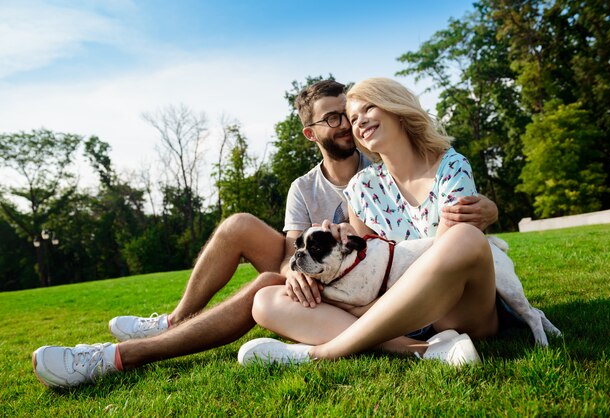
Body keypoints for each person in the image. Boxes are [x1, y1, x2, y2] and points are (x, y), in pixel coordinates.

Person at [32, 80, 497, 388]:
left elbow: (398, 252)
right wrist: (300, 273)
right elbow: (324, 254)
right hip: (344, 283)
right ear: (309, 132)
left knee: (266, 289)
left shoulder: (407, 161)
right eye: (338, 119)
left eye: (351, 115)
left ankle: (128, 354)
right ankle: (168, 325)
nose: (350, 126)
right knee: (260, 277)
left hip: (422, 291)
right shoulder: (331, 187)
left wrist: (487, 211)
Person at [239, 77, 502, 366]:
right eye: (353, 118)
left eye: (368, 109)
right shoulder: (361, 189)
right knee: (266, 300)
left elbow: (444, 259)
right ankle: (418, 349)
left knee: (463, 237)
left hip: (455, 310)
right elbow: (366, 273)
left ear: (397, 108)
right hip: (393, 316)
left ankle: (321, 352)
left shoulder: (451, 166)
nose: (358, 122)